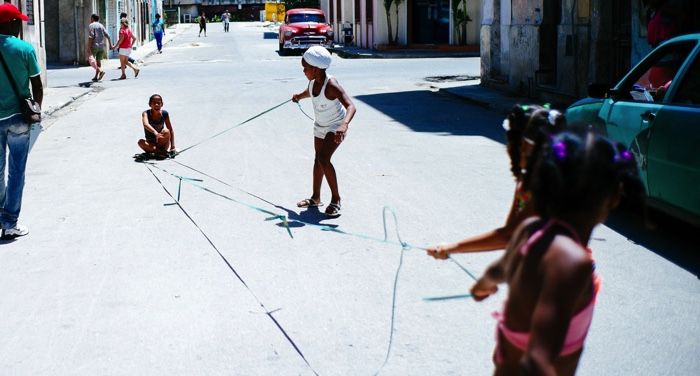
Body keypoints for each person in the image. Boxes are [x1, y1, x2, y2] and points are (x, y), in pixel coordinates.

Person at [469, 130, 644, 375]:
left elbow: (499, 270)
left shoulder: (529, 231)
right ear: (614, 196)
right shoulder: (572, 262)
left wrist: (482, 286)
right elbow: (537, 361)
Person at [426, 105, 565, 259]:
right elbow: (511, 233)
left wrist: (451, 248)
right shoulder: (525, 180)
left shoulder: (546, 186)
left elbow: (509, 235)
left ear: (523, 146)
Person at [291, 46, 356, 218]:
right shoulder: (313, 82)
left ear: (316, 68)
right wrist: (299, 96)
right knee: (317, 159)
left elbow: (351, 106)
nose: (303, 70)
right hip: (320, 125)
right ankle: (316, 197)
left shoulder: (331, 85)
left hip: (336, 126)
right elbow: (310, 92)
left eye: (305, 68)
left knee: (323, 159)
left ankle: (336, 199)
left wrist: (344, 125)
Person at [0, 3, 43, 239]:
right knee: (16, 172)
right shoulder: (25, 49)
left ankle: (0, 216)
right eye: (18, 22)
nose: (21, 25)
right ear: (10, 23)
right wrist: (35, 112)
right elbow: (37, 86)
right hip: (18, 118)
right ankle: (9, 223)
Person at [137, 94, 177, 159]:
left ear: (162, 104)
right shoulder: (145, 113)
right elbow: (145, 124)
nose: (156, 105)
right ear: (150, 104)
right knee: (140, 142)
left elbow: (171, 130)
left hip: (162, 143)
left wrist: (172, 147)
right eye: (154, 103)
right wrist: (155, 132)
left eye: (158, 103)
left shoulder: (164, 114)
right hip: (151, 144)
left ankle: (155, 152)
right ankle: (161, 153)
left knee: (166, 131)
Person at [87, 14, 111, 82]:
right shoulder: (101, 25)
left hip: (94, 46)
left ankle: (101, 71)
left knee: (91, 60)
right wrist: (111, 45)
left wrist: (88, 47)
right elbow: (108, 35)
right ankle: (96, 76)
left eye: (90, 18)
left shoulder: (91, 25)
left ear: (92, 18)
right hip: (101, 46)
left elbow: (91, 37)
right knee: (98, 61)